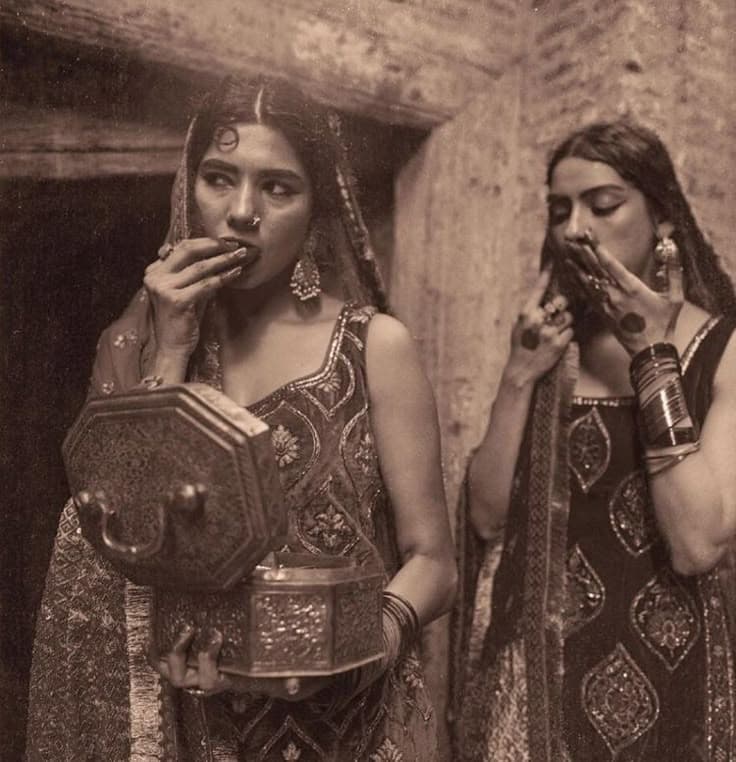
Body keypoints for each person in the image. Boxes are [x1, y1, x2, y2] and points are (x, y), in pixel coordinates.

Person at [26, 76, 457, 761]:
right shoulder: (135, 347)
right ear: (187, 189)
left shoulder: (374, 347)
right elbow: (127, 545)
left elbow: (434, 560)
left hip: (348, 724)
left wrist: (370, 645)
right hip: (194, 725)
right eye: (219, 179)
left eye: (278, 187)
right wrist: (173, 347)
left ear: (316, 209)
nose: (242, 213)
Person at [450, 120, 736, 761]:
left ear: (663, 219)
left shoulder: (722, 350)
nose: (575, 228)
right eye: (560, 211)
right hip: (533, 688)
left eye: (603, 205)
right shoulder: (554, 347)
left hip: (669, 680)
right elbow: (487, 518)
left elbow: (697, 546)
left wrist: (653, 357)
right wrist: (518, 375)